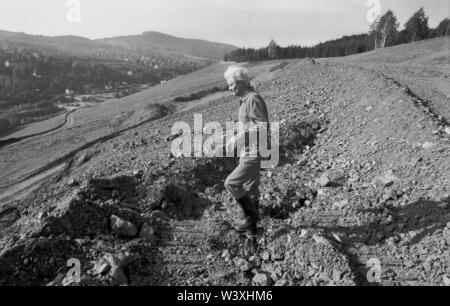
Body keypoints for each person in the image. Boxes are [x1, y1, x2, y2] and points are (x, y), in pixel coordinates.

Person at [223, 66, 269, 235]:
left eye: (231, 84)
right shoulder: (244, 101)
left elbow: (262, 128)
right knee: (251, 188)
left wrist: (238, 138)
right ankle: (253, 231)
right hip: (247, 152)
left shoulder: (253, 99)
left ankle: (251, 218)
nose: (229, 88)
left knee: (231, 183)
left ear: (241, 83)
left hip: (254, 152)